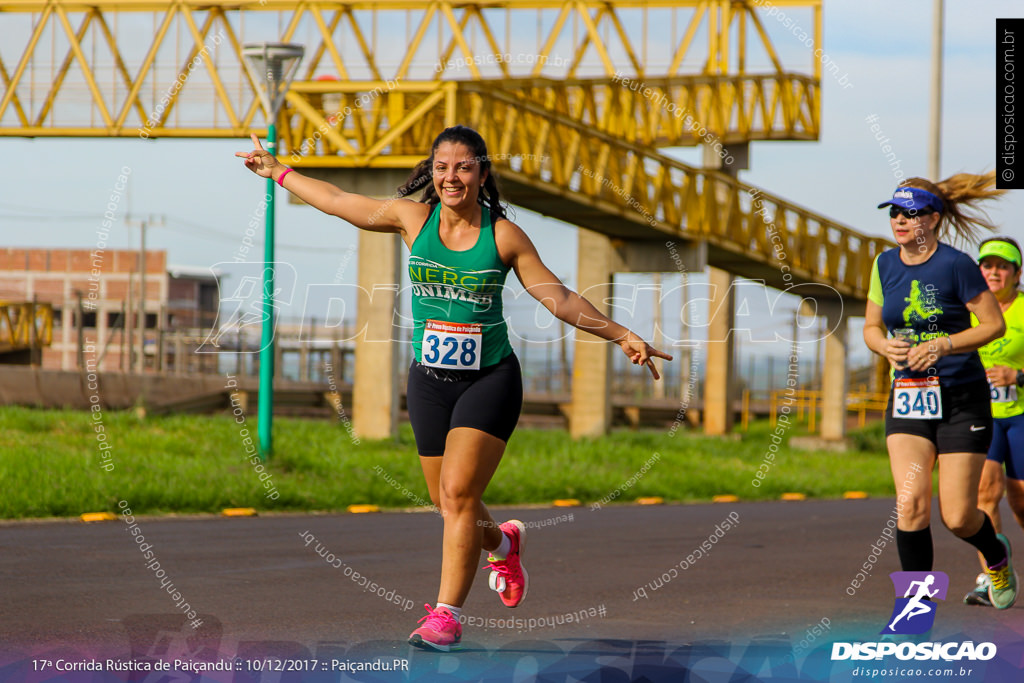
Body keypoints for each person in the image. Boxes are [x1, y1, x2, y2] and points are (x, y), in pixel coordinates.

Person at [236, 126, 672, 650]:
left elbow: (556, 296)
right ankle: (504, 544)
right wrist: (277, 171)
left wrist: (622, 333)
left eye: (463, 167)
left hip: (490, 379)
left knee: (460, 493)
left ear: (481, 173)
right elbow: (336, 200)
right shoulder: (410, 219)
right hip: (428, 380)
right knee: (449, 503)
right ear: (431, 172)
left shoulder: (503, 235)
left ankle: (446, 616)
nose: (451, 177)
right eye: (442, 167)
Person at [862, 173, 1018, 610]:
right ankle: (916, 609)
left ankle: (996, 554)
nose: (898, 221)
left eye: (909, 214)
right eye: (893, 213)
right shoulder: (883, 264)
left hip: (961, 399)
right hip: (909, 396)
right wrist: (883, 345)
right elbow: (872, 326)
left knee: (957, 516)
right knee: (910, 503)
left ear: (932, 218)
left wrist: (943, 344)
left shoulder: (956, 265)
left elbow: (993, 325)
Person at [964, 237, 1024, 605]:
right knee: (985, 492)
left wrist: (1017, 376)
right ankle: (994, 576)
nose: (994, 272)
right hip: (980, 416)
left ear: (1017, 273)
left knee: (1020, 499)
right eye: (987, 265)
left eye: (1003, 266)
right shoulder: (967, 309)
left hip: (1020, 415)